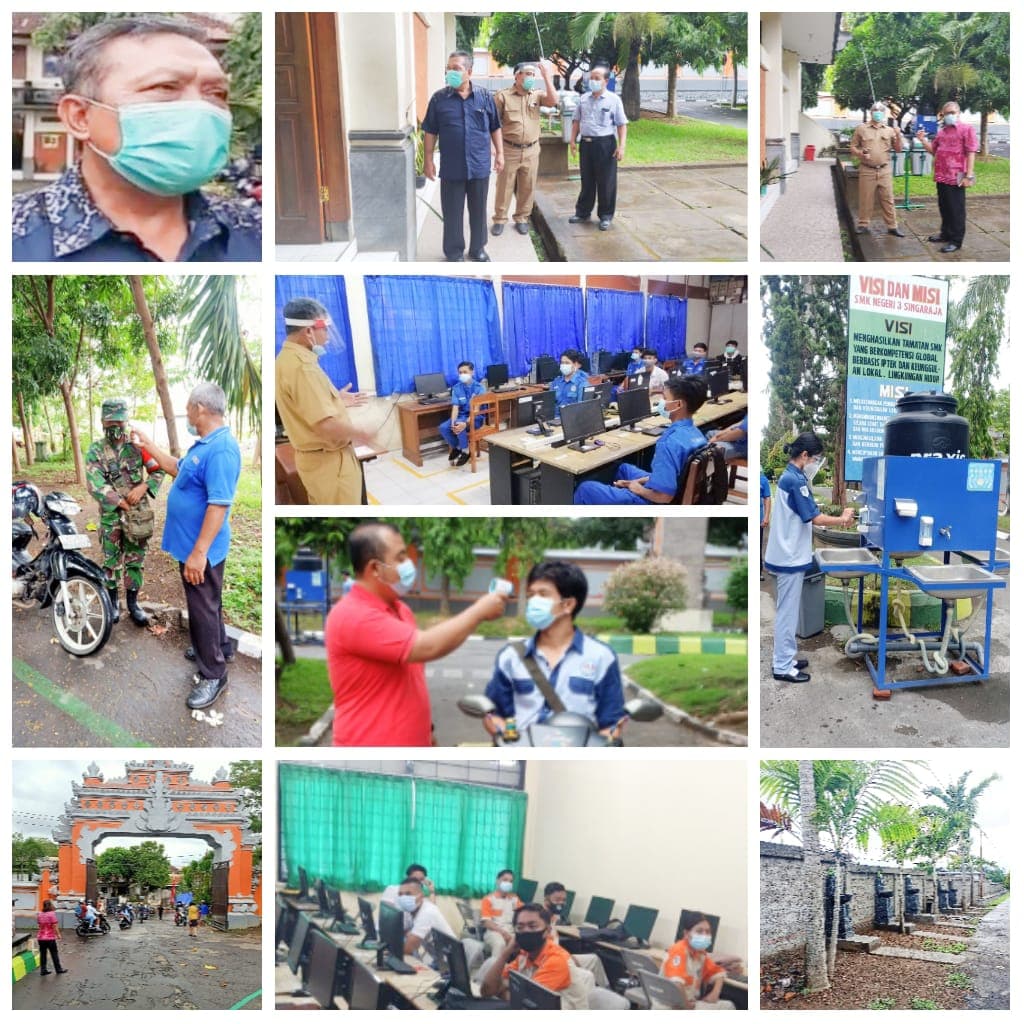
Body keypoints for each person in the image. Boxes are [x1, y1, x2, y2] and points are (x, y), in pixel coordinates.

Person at [12, 15, 260, 262]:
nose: (200, 108)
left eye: (216, 93)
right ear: (80, 117)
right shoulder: (16, 234)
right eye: (165, 87)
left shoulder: (254, 230)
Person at [325, 522, 508, 745]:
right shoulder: (353, 614)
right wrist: (479, 611)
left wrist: (427, 731)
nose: (409, 564)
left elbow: (409, 679)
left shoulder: (401, 610)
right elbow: (427, 647)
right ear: (375, 568)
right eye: (400, 558)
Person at [131, 382, 241, 710]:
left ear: (201, 409)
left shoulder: (221, 449)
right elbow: (174, 466)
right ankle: (218, 645)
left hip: (201, 549)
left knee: (202, 606)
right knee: (208, 602)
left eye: (190, 408)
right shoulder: (205, 445)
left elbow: (219, 504)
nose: (188, 413)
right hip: (194, 546)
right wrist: (147, 443)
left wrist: (198, 552)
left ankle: (214, 674)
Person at [485, 561, 627, 735]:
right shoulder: (511, 656)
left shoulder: (601, 657)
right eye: (531, 595)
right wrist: (505, 736)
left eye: (543, 594)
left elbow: (611, 724)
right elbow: (494, 715)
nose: (534, 602)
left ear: (568, 605)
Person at [765, 433, 854, 683]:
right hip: (788, 559)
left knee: (789, 612)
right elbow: (814, 518)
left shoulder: (792, 477)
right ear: (804, 456)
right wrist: (842, 520)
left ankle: (787, 656)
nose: (816, 462)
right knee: (787, 614)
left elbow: (807, 511)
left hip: (786, 555)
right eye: (815, 458)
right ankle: (782, 666)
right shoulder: (795, 480)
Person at [275, 297, 374, 505]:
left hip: (316, 462)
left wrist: (336, 400)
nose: (328, 336)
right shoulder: (304, 368)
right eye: (325, 329)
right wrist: (362, 434)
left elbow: (304, 405)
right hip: (330, 462)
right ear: (309, 331)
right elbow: (325, 425)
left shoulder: (285, 360)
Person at [85, 397, 165, 627]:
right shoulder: (96, 450)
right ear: (102, 423)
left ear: (126, 421)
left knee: (135, 559)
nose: (115, 429)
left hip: (137, 517)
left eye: (119, 424)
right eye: (110, 425)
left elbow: (158, 470)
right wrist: (120, 502)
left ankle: (132, 604)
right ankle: (112, 603)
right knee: (111, 561)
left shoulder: (138, 447)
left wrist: (143, 487)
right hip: (111, 516)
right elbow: (94, 484)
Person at [573, 376, 708, 505]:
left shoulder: (668, 442)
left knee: (586, 488)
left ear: (678, 404)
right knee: (623, 468)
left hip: (655, 501)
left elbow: (665, 496)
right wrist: (635, 482)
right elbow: (674, 474)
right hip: (675, 485)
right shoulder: (696, 433)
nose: (660, 402)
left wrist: (638, 489)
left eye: (665, 398)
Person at [423, 51, 503, 262]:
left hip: (479, 165)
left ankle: (478, 249)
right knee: (452, 213)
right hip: (452, 167)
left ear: (469, 71)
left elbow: (495, 127)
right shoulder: (439, 99)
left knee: (478, 211)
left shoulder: (485, 97)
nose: (451, 72)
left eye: (456, 68)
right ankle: (454, 251)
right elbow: (430, 130)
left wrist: (500, 154)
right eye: (448, 68)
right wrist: (428, 159)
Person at [491, 61, 557, 237]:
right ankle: (499, 219)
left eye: (533, 75)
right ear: (517, 75)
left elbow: (554, 101)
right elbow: (492, 124)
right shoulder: (502, 96)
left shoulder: (537, 95)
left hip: (531, 150)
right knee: (504, 186)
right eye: (527, 74)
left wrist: (547, 77)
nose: (530, 78)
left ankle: (521, 218)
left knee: (527, 186)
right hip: (509, 149)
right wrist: (495, 149)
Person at [480, 904, 586, 1008]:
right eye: (520, 927)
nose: (526, 931)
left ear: (548, 931)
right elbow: (487, 991)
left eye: (532, 926)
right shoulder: (524, 955)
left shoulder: (557, 960)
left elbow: (528, 1006)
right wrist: (505, 953)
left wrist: (502, 993)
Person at [568, 66, 627, 231]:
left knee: (606, 182)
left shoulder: (614, 100)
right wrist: (572, 141)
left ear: (606, 81)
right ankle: (583, 212)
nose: (592, 81)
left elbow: (622, 125)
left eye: (597, 78)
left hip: (605, 145)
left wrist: (621, 146)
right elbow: (576, 121)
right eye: (591, 78)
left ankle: (605, 215)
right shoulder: (583, 99)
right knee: (587, 180)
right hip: (586, 145)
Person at [916, 101, 978, 252]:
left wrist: (969, 175)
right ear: (942, 115)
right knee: (944, 207)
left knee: (956, 210)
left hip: (957, 177)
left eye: (952, 112)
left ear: (958, 113)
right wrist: (923, 139)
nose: (949, 115)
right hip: (941, 176)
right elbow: (934, 151)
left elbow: (971, 152)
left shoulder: (966, 129)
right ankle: (945, 234)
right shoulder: (942, 131)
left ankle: (956, 241)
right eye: (946, 113)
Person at [850, 101, 906, 237]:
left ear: (884, 113)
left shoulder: (889, 130)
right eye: (875, 110)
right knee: (865, 198)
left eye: (881, 110)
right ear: (871, 113)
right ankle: (863, 224)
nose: (878, 112)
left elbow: (898, 149)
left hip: (884, 170)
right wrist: (860, 153)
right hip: (867, 169)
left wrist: (898, 135)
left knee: (888, 199)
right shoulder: (861, 129)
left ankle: (892, 226)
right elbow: (853, 147)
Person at [661, 912, 735, 1009]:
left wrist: (715, 993)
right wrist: (686, 1007)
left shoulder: (700, 954)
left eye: (707, 932)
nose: (704, 935)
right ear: (687, 934)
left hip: (687, 1003)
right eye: (699, 931)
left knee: (727, 1005)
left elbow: (719, 972)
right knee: (729, 1006)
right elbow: (676, 984)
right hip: (672, 1006)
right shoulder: (678, 951)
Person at [394, 877, 456, 958]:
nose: (403, 898)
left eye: (408, 894)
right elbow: (403, 933)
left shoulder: (427, 912)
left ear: (421, 895)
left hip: (450, 963)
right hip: (438, 959)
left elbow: (408, 949)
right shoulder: (412, 911)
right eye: (400, 895)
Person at [438, 361, 486, 466]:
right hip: (461, 416)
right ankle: (458, 447)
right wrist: (452, 423)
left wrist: (466, 423)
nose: (462, 374)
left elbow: (476, 410)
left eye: (465, 372)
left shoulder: (479, 388)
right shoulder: (456, 388)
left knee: (459, 423)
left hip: (476, 418)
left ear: (472, 372)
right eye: (460, 372)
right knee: (443, 427)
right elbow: (455, 408)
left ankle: (465, 451)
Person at [479, 870, 523, 958]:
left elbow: (524, 914)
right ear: (497, 881)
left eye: (511, 881)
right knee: (500, 944)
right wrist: (503, 933)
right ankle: (495, 970)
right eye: (505, 880)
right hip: (494, 932)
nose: (508, 883)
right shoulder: (488, 899)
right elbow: (486, 922)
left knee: (527, 943)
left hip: (512, 932)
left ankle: (517, 970)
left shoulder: (515, 899)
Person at [36, 900, 68, 976]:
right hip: (50, 938)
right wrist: (58, 935)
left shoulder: (39, 914)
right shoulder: (52, 914)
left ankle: (43, 970)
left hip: (41, 938)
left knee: (43, 954)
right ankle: (58, 969)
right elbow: (54, 926)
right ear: (50, 905)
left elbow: (40, 926)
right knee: (54, 954)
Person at [760, 472, 772, 581]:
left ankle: (758, 571)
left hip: (758, 519)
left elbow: (767, 498)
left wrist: (766, 516)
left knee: (758, 546)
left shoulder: (762, 478)